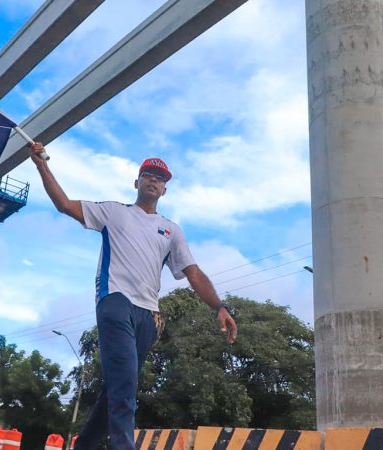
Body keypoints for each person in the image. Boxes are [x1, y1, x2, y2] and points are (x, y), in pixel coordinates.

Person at [29, 143, 238, 450]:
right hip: (115, 302)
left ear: (165, 189)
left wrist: (218, 306)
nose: (153, 180)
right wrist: (41, 165)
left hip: (149, 317)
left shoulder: (171, 230)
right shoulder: (113, 212)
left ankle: (83, 446)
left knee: (117, 387)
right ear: (136, 182)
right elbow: (64, 204)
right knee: (126, 385)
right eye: (148, 175)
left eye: (160, 178)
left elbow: (193, 272)